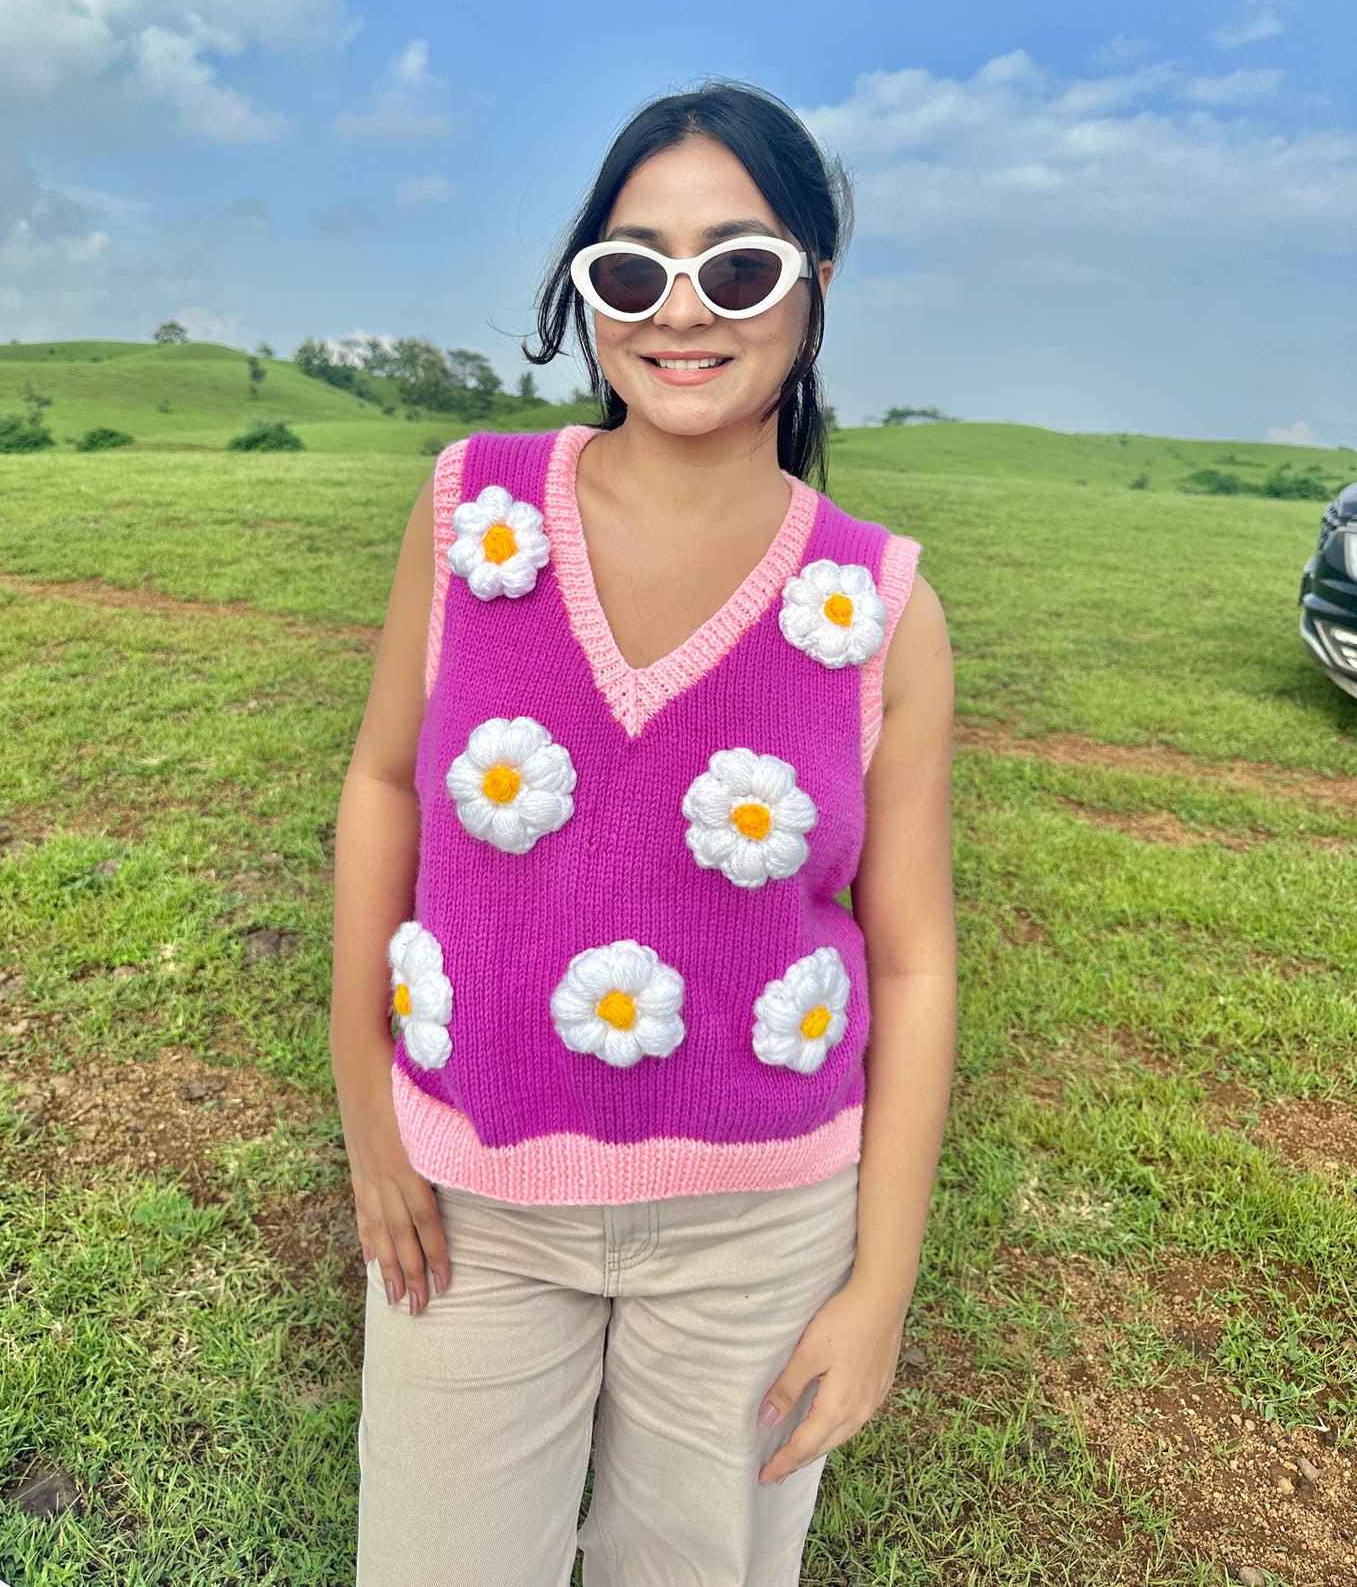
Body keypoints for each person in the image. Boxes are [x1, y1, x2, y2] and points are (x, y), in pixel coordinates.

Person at [330, 80, 957, 1586]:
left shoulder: (878, 607)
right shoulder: (472, 511)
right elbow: (384, 788)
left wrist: (877, 1287)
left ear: (811, 287)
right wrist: (367, 1105)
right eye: (631, 267)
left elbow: (915, 961)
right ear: (586, 295)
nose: (683, 310)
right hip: (469, 1204)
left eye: (736, 265)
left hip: (760, 1234)